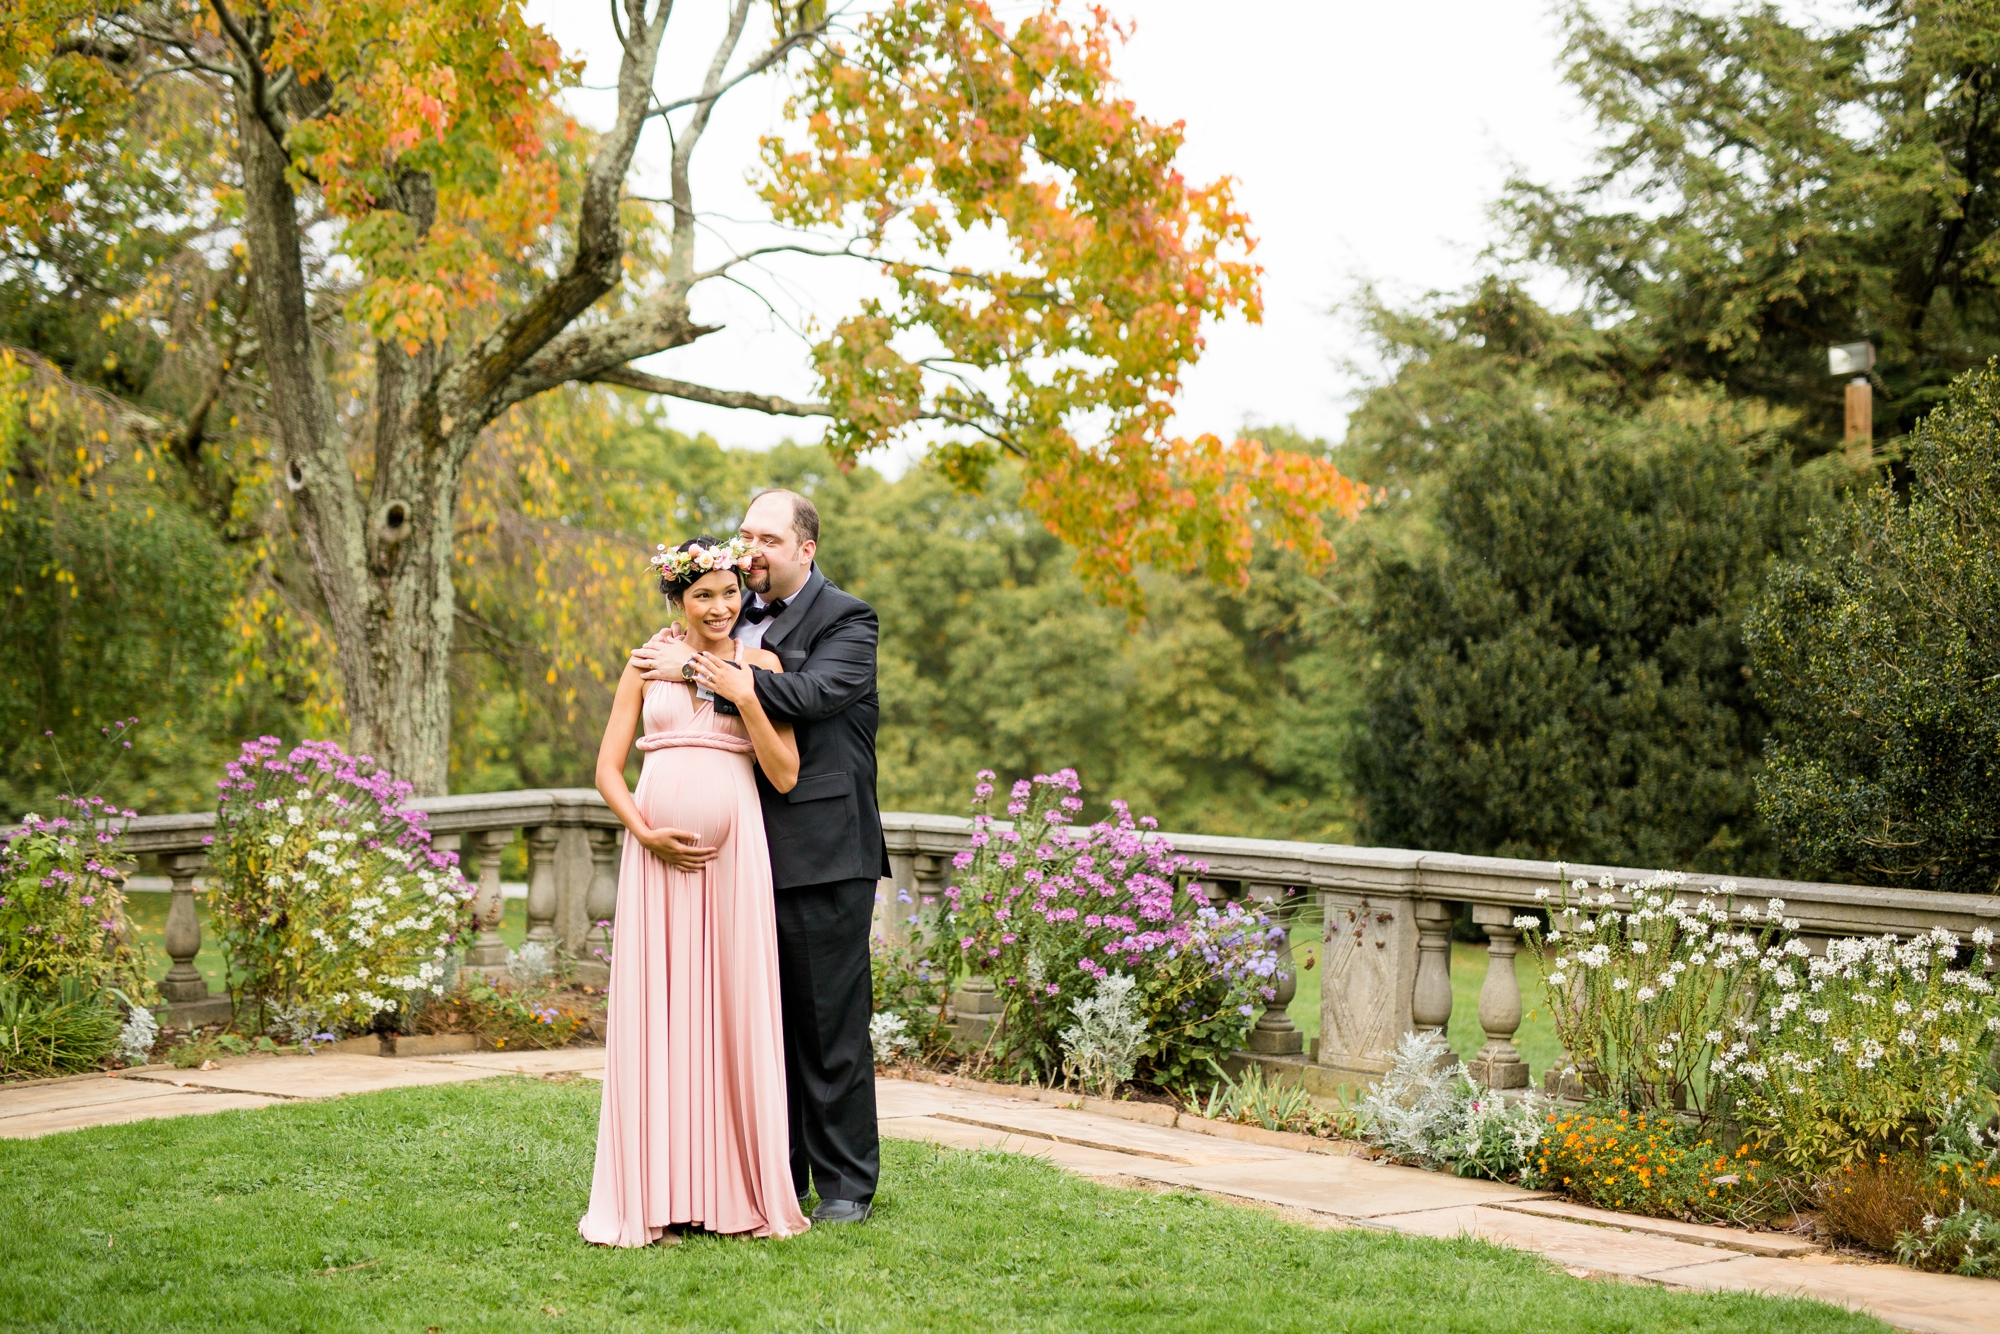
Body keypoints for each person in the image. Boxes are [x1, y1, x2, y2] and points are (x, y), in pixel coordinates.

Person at [631, 488, 889, 1225]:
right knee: (749, 1026)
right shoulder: (724, 612)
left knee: (825, 1025)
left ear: (806, 548)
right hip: (733, 857)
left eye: (768, 539)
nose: (752, 552)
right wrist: (687, 660)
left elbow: (814, 693)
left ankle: (844, 1186)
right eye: (745, 536)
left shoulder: (848, 619)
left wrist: (707, 675)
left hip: (822, 850)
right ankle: (759, 1177)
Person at [578, 536, 810, 1246]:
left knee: (731, 1015)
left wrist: (744, 694)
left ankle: (733, 1197)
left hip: (736, 853)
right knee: (663, 1016)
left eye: (730, 592)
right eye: (703, 595)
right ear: (676, 601)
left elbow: (785, 773)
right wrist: (643, 831)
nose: (720, 606)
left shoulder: (760, 665)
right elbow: (607, 769)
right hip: (656, 861)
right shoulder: (646, 663)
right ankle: (656, 1201)